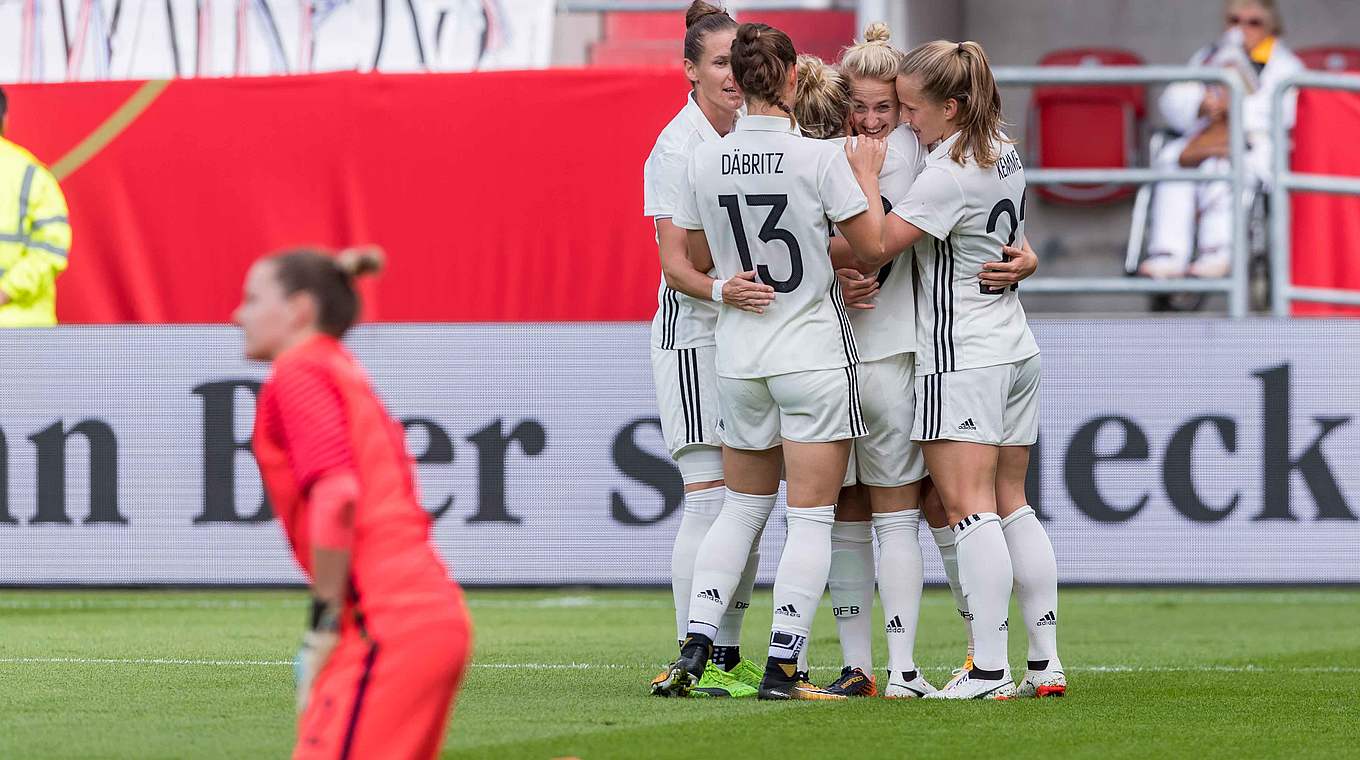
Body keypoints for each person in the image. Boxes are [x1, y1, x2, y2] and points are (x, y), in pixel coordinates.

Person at [652, 21, 886, 701]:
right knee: (809, 518)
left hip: (739, 357)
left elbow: (690, 262)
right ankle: (784, 663)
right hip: (809, 353)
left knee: (739, 511)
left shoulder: (703, 159)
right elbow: (869, 245)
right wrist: (866, 179)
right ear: (790, 79)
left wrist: (733, 269)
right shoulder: (818, 159)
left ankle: (698, 642)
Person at [854, 39, 1063, 700]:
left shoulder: (948, 171)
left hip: (960, 355)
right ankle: (1044, 662)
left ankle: (990, 668)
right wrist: (1027, 261)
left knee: (969, 511)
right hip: (1014, 345)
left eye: (913, 108)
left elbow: (874, 245)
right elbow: (1016, 245)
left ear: (950, 104)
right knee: (1013, 505)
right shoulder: (1004, 149)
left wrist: (863, 173)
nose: (906, 121)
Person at [235, 247, 473, 757]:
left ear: (299, 309)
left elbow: (338, 496)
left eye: (253, 300)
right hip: (421, 615)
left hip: (385, 624)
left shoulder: (297, 372)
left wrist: (321, 626)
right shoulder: (337, 367)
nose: (239, 314)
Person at [642, 0, 770, 699]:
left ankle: (724, 656)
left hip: (743, 336)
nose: (733, 74)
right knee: (709, 497)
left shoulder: (752, 132)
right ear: (689, 69)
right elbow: (678, 265)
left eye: (740, 62)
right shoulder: (677, 147)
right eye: (720, 62)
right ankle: (691, 651)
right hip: (695, 335)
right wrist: (727, 292)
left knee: (746, 500)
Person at [1141, 0, 1303, 279]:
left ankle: (1218, 250)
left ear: (1272, 26)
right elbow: (1173, 98)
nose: (1243, 29)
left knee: (1223, 168)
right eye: (1234, 20)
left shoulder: (1287, 66)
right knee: (1171, 160)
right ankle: (1167, 253)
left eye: (1254, 22)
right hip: (1203, 138)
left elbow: (1288, 113)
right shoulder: (1208, 56)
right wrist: (1200, 104)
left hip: (1253, 145)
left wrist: (1235, 108)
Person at [0, 86, 72, 327]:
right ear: (4, 119)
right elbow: (51, 247)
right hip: (24, 333)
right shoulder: (30, 174)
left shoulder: (30, 175)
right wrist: (7, 290)